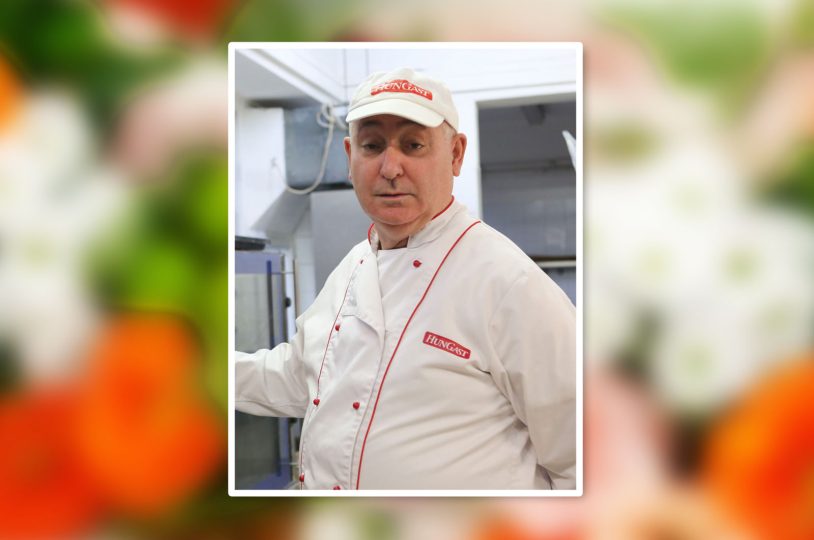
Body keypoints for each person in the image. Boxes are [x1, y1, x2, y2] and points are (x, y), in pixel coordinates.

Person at [235, 67, 576, 490]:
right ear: (350, 155)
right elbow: (299, 375)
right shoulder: (353, 266)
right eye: (372, 145)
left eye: (413, 145)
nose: (390, 167)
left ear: (455, 154)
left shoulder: (508, 283)